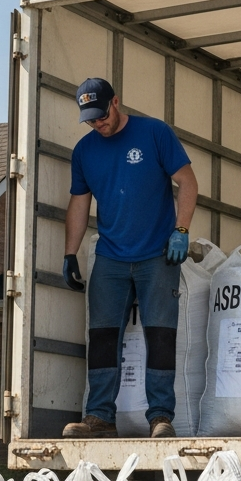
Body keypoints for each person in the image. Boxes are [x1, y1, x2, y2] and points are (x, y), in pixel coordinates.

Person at [61, 77, 200, 440]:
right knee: (103, 337)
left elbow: (187, 181)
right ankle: (99, 416)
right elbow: (79, 202)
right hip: (110, 256)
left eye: (102, 115)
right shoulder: (85, 151)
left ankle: (160, 417)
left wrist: (181, 230)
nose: (98, 123)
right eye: (90, 119)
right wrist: (70, 253)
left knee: (160, 336)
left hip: (158, 253)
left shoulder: (154, 133)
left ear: (116, 102)